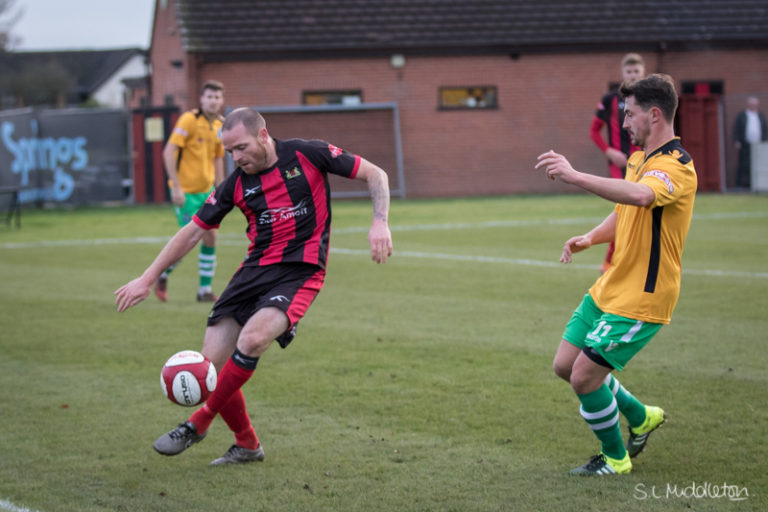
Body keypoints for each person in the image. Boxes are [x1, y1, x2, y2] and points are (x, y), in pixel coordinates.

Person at [115, 107, 393, 465]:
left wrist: (380, 223)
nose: (236, 157)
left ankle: (197, 424)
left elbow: (376, 174)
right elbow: (193, 231)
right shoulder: (235, 184)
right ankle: (247, 444)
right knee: (208, 368)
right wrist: (147, 278)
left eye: (241, 148)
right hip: (252, 274)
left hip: (300, 271)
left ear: (263, 136)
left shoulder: (308, 154)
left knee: (252, 340)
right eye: (230, 151)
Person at [536, 74, 696, 476]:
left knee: (584, 377)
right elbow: (626, 209)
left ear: (654, 115)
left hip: (645, 295)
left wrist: (574, 176)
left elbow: (642, 196)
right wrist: (590, 238)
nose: (623, 123)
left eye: (629, 115)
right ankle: (641, 417)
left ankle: (615, 458)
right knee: (564, 365)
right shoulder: (639, 159)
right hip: (613, 285)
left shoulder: (677, 167)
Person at [156, 80, 226, 303]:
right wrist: (176, 187)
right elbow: (168, 152)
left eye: (217, 97)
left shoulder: (221, 125)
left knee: (211, 237)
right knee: (189, 240)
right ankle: (162, 273)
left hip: (207, 193)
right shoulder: (189, 120)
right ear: (201, 99)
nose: (213, 101)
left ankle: (204, 290)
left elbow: (218, 158)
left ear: (221, 101)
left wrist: (222, 189)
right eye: (209, 97)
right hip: (185, 193)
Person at [590, 53, 646, 273]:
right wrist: (609, 151)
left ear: (643, 72)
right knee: (624, 211)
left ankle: (626, 262)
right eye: (629, 72)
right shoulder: (610, 99)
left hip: (644, 162)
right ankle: (610, 263)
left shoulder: (651, 98)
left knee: (640, 214)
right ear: (622, 74)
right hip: (620, 165)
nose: (632, 75)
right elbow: (593, 132)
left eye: (636, 71)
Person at [733, 96, 768, 188]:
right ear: (748, 105)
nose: (753, 106)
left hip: (759, 145)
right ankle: (741, 185)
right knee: (744, 164)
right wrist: (736, 140)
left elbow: (765, 129)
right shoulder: (742, 115)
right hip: (745, 144)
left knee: (758, 165)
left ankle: (757, 185)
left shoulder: (760, 116)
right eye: (751, 104)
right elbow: (736, 128)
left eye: (755, 104)